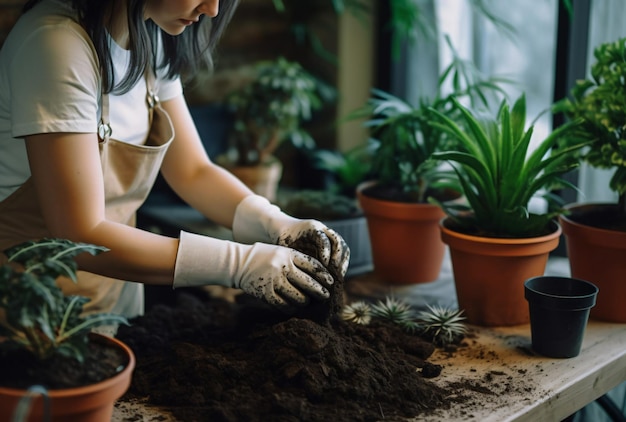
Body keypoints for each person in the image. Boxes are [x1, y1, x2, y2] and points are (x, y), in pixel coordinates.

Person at [0, 0, 350, 322]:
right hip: (30, 318)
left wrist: (277, 223)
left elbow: (193, 172)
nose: (212, 9)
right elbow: (80, 233)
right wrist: (238, 265)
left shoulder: (148, 38)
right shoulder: (56, 44)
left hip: (111, 305)